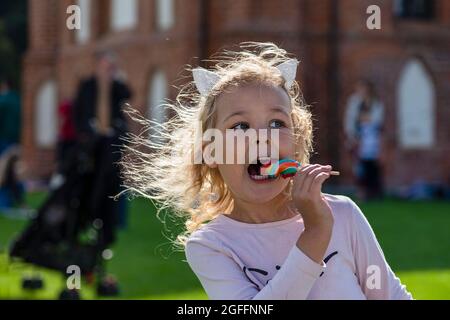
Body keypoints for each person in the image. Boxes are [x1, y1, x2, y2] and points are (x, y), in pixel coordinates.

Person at [122, 42, 411, 299]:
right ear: (210, 151)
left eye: (276, 123)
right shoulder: (212, 246)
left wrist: (324, 222)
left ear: (296, 143)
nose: (262, 136)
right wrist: (316, 232)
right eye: (240, 126)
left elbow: (391, 296)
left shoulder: (343, 215)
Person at [73, 50, 131, 246]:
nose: (108, 70)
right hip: (93, 143)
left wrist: (116, 78)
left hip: (112, 141)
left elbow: (128, 94)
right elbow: (78, 111)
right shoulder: (88, 85)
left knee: (114, 181)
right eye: (106, 66)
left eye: (111, 66)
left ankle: (113, 222)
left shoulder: (116, 86)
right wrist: (84, 135)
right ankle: (91, 216)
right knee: (94, 181)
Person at [344, 80, 384, 200]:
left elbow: (376, 120)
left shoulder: (375, 103)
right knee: (359, 168)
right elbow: (350, 120)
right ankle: (361, 192)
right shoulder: (354, 102)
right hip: (358, 139)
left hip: (372, 141)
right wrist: (352, 136)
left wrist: (364, 119)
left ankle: (374, 193)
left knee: (372, 168)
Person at [0, 76, 21, 155]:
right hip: (19, 138)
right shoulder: (19, 99)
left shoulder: (2, 100)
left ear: (4, 85)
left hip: (4, 138)